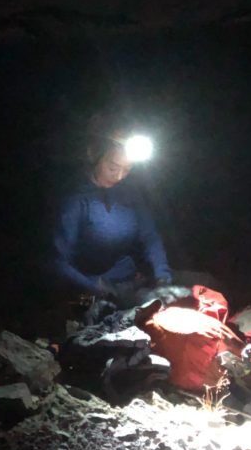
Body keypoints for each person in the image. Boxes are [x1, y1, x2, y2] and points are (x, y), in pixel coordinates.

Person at [52, 124, 174, 310]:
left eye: (127, 169)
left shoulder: (128, 192)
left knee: (198, 286)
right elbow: (57, 260)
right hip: (97, 288)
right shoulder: (75, 201)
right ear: (94, 156)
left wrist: (162, 277)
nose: (119, 176)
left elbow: (150, 237)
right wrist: (96, 289)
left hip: (132, 281)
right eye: (112, 167)